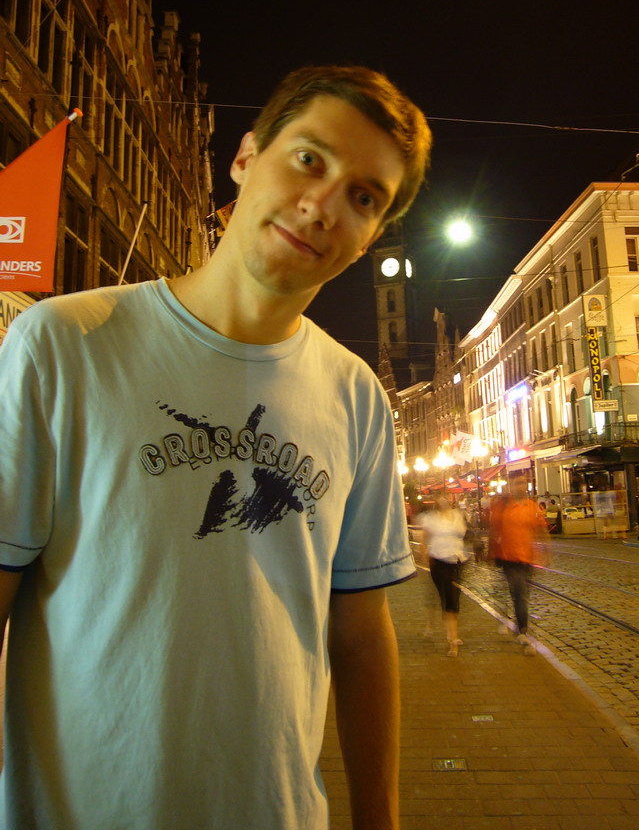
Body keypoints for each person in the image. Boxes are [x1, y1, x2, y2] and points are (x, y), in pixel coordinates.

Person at [0, 65, 432, 830]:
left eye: (364, 197)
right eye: (309, 159)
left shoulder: (356, 394)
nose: (323, 204)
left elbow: (362, 638)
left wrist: (382, 820)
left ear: (369, 239)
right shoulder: (62, 347)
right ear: (244, 157)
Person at [489, 475, 549, 655]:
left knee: (521, 594)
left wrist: (547, 550)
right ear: (511, 487)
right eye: (517, 483)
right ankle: (522, 630)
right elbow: (494, 528)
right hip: (508, 556)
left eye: (523, 482)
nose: (520, 486)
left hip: (527, 557)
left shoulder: (532, 506)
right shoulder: (504, 506)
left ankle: (519, 625)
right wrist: (490, 550)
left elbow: (541, 528)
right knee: (518, 592)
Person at [419, 493, 467, 656]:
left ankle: (451, 632)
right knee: (448, 598)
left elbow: (463, 534)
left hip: (457, 559)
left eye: (446, 497)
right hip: (438, 560)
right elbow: (423, 540)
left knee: (455, 597)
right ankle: (452, 639)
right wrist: (426, 558)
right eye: (441, 498)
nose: (444, 500)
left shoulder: (457, 515)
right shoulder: (431, 518)